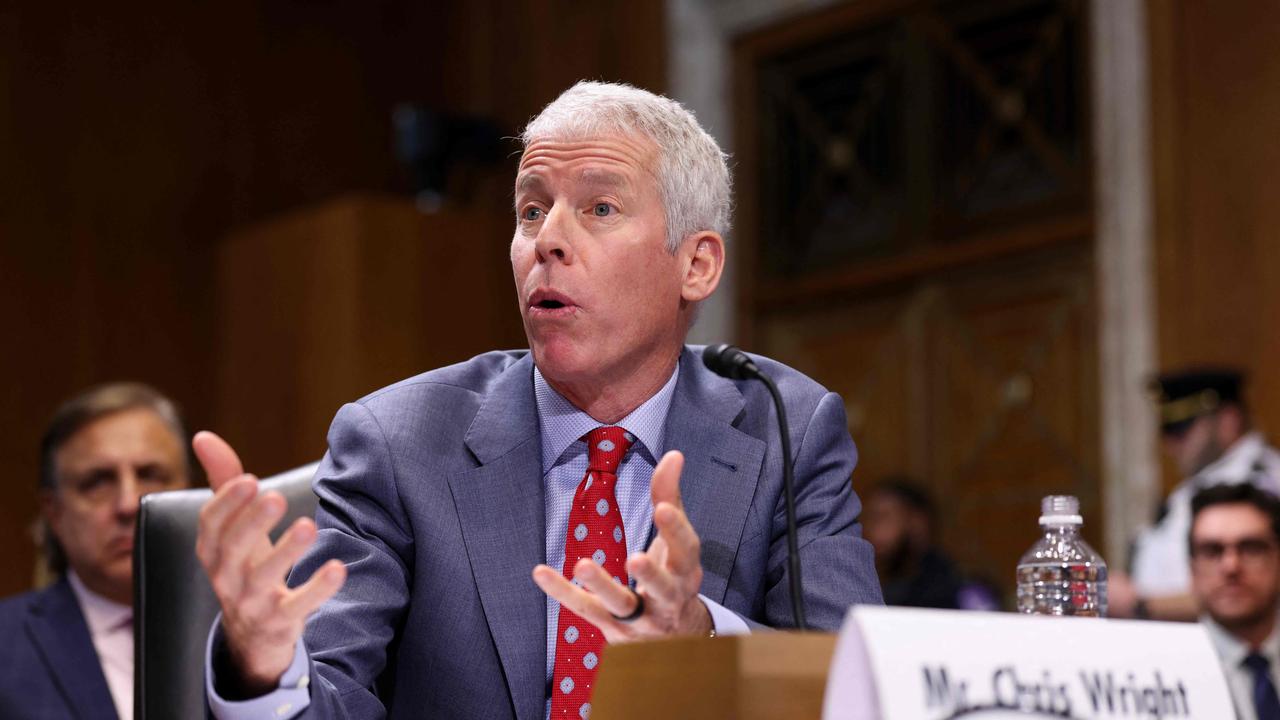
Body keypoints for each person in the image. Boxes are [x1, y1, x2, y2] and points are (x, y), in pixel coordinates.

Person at [196, 80, 883, 719]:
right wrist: (267, 667)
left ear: (696, 264)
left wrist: (701, 634)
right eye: (531, 209)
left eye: (600, 208)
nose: (546, 240)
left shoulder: (786, 427)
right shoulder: (396, 441)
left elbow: (855, 689)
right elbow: (330, 695)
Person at [0, 383, 191, 720]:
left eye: (150, 475)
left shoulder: (254, 634)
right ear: (54, 511)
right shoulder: (7, 646)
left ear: (190, 493)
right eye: (97, 481)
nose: (129, 504)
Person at [1111, 368, 1280, 621]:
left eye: (1181, 429)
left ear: (1228, 420)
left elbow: (1253, 591)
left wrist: (1139, 604)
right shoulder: (1196, 486)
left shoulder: (1260, 484)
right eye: (1165, 432)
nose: (1170, 444)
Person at [1188, 483, 1280, 720]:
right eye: (1212, 550)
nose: (1231, 566)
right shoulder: (1166, 676)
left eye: (1250, 548)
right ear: (1192, 569)